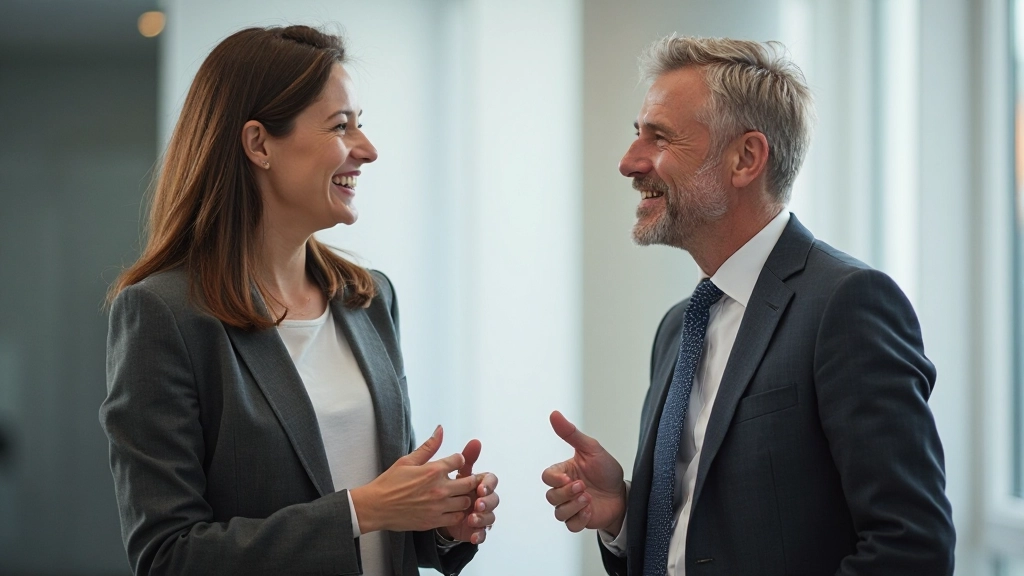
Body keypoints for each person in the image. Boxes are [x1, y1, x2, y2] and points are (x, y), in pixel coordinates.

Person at [542, 36, 954, 575]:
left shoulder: (847, 305)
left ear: (746, 158)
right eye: (636, 135)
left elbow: (911, 548)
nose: (628, 162)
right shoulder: (678, 329)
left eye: (659, 137)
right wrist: (624, 516)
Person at [100, 25, 498, 576]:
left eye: (362, 124)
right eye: (342, 126)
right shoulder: (164, 315)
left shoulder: (370, 298)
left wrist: (440, 521)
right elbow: (169, 556)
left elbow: (389, 517)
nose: (368, 149)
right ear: (259, 143)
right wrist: (363, 510)